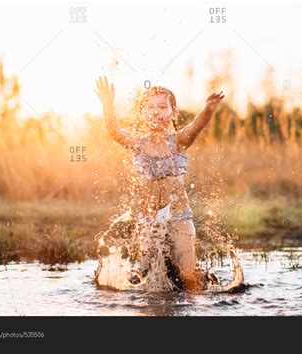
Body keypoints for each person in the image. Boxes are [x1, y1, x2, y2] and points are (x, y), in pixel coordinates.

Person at [95, 75, 224, 291]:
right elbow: (114, 131)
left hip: (179, 217)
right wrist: (107, 106)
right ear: (142, 113)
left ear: (173, 113)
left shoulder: (179, 141)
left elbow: (195, 127)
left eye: (163, 107)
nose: (156, 111)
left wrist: (208, 110)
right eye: (150, 107)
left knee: (187, 276)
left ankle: (199, 290)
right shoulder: (138, 143)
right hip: (149, 220)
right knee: (150, 275)